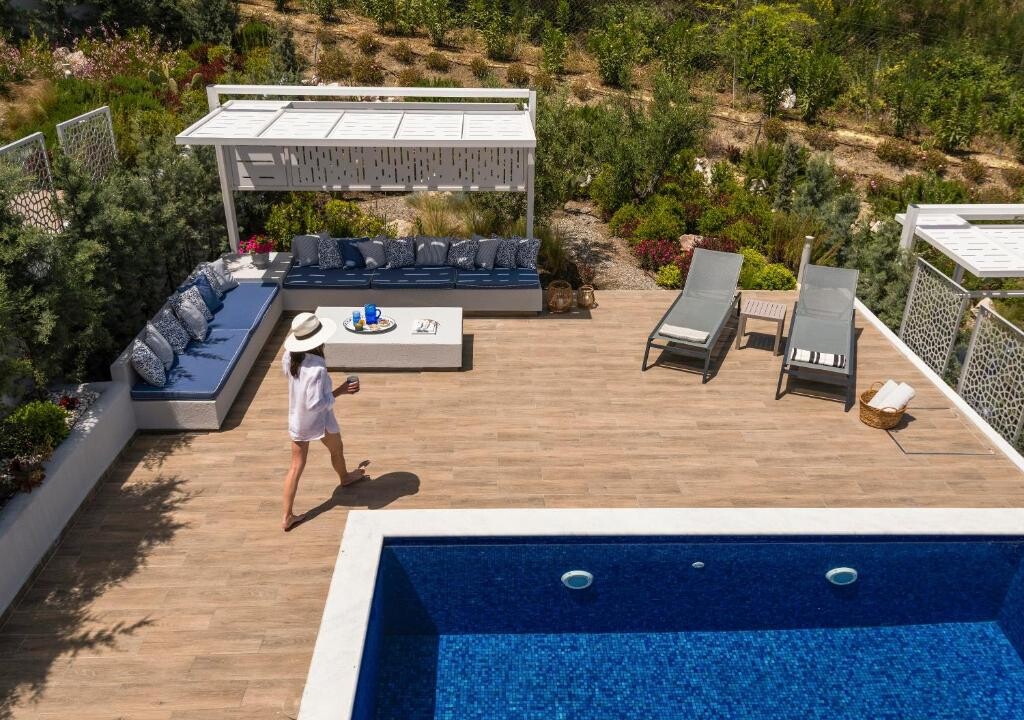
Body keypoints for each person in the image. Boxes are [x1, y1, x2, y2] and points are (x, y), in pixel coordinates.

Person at [281, 312, 365, 531]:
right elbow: (316, 404)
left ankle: (287, 516)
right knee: (336, 449)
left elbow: (293, 382)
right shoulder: (317, 369)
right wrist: (340, 391)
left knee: (296, 466)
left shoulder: (289, 356)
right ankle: (344, 477)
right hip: (319, 420)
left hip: (297, 419)